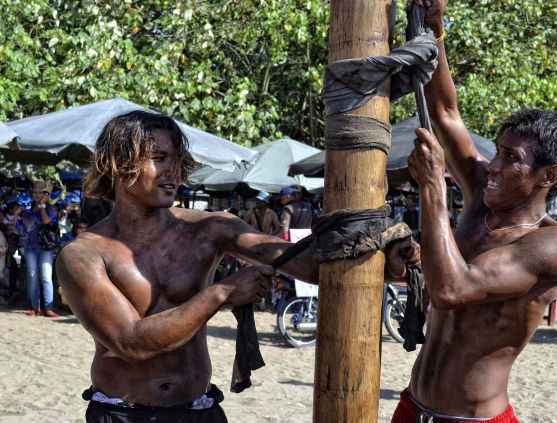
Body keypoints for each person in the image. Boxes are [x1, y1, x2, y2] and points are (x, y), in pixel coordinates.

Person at [55, 110, 416, 422]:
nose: (174, 172)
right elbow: (130, 342)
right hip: (122, 414)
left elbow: (310, 267)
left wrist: (384, 261)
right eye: (159, 158)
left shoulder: (209, 228)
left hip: (199, 410)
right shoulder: (83, 255)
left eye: (178, 160)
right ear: (118, 164)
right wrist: (222, 292)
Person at [391, 2, 557, 421]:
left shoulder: (553, 244)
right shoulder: (484, 191)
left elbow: (451, 292)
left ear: (548, 176)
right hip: (412, 408)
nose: (491, 165)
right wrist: (435, 29)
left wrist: (434, 189)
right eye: (496, 151)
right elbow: (444, 113)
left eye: (509, 157)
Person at [15, 181, 60, 318]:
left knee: (46, 277)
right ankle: (35, 308)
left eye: (40, 192)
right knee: (33, 277)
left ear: (46, 194)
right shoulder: (27, 210)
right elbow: (18, 229)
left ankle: (49, 308)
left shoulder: (52, 209)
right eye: (35, 192)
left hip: (46, 248)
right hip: (30, 247)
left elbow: (46, 221)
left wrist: (42, 206)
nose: (37, 195)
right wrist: (16, 215)